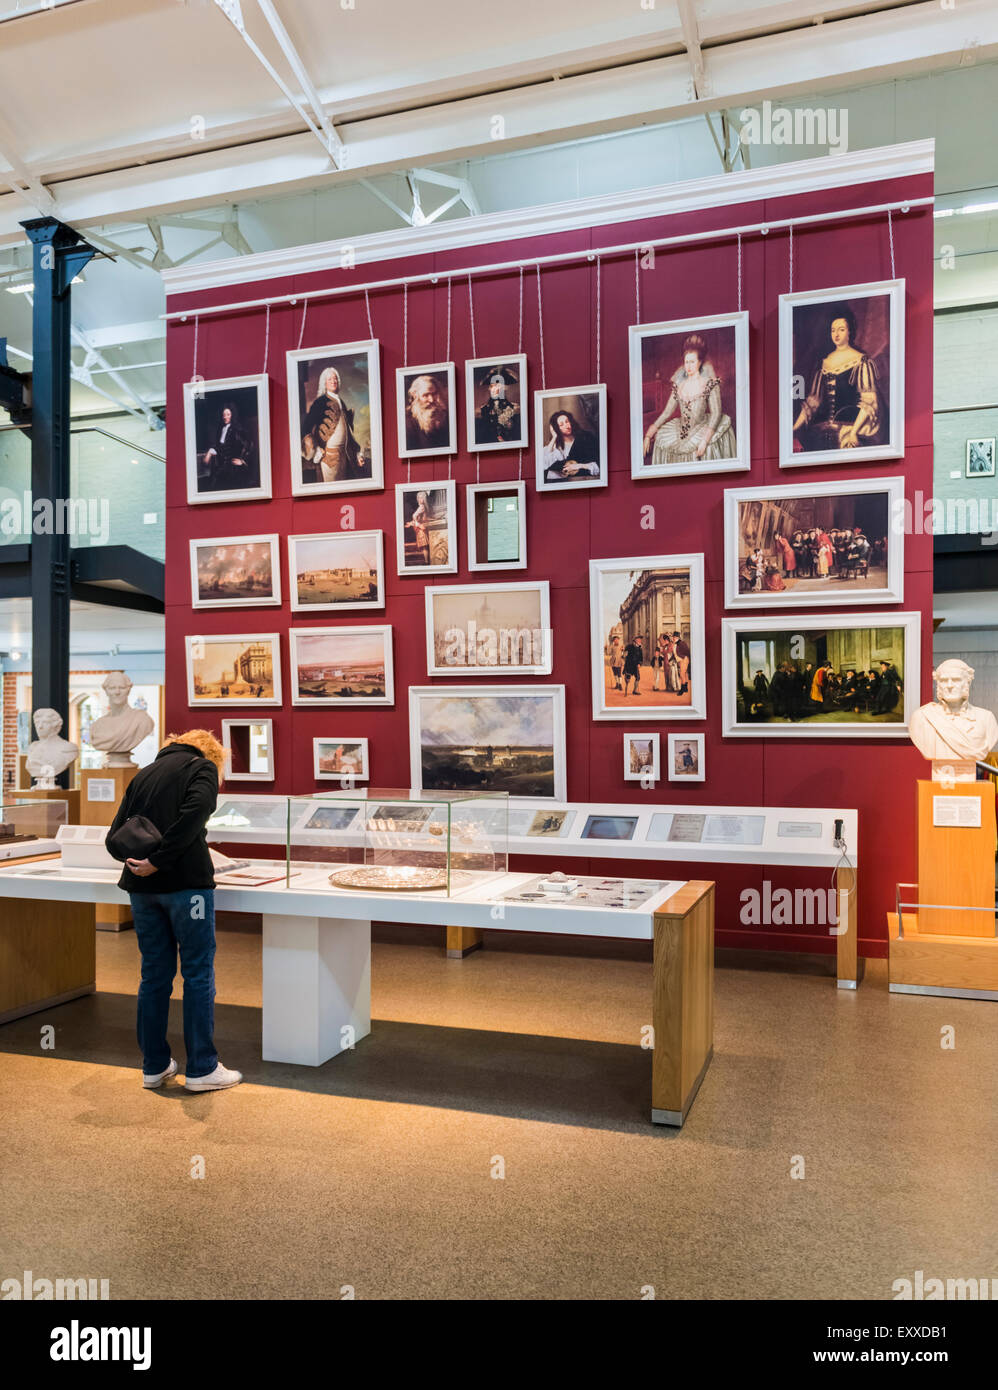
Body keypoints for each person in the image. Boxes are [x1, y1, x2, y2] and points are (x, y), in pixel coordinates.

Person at [105, 729, 241, 1094]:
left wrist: (141, 861)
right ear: (213, 755)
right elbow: (196, 814)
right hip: (187, 886)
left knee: (154, 975)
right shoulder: (202, 768)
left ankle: (154, 1066)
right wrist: (160, 860)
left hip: (142, 889)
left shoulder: (145, 773)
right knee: (197, 974)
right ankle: (202, 1068)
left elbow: (113, 836)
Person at [793, 303, 884, 453]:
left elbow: (869, 403)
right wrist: (794, 428)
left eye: (841, 329)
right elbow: (813, 402)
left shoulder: (861, 361)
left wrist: (854, 432)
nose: (836, 334)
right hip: (821, 433)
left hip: (849, 431)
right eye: (833, 330)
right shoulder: (824, 363)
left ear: (849, 332)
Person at [642, 333, 736, 467]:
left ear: (700, 362)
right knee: (662, 441)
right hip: (679, 432)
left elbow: (716, 413)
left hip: (701, 430)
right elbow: (667, 412)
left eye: (692, 362)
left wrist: (705, 440)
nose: (689, 366)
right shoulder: (679, 385)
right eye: (686, 362)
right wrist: (649, 434)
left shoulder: (708, 383)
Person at [301, 366, 367, 483]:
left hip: (344, 455)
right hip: (328, 457)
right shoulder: (320, 402)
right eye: (330, 379)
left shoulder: (341, 402)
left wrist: (356, 452)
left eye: (335, 378)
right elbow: (306, 427)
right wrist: (316, 449)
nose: (333, 381)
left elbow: (348, 433)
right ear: (324, 383)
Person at [200, 404, 253, 492]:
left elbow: (249, 444)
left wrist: (242, 460)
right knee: (213, 486)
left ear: (232, 415)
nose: (225, 417)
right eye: (224, 415)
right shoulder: (221, 429)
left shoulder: (237, 429)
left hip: (233, 467)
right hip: (222, 465)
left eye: (228, 414)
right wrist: (210, 452)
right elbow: (220, 447)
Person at [541, 409, 600, 483]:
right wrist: (554, 437)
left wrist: (580, 466)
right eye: (561, 425)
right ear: (556, 428)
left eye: (567, 421)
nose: (567, 426)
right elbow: (543, 463)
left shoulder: (585, 438)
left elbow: (597, 465)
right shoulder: (557, 447)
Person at [475, 365, 521, 445]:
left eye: (499, 386)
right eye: (492, 386)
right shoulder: (480, 411)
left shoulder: (516, 409)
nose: (495, 389)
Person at [404, 374, 451, 452]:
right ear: (415, 396)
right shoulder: (408, 421)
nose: (431, 400)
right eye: (426, 395)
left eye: (434, 394)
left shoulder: (445, 415)